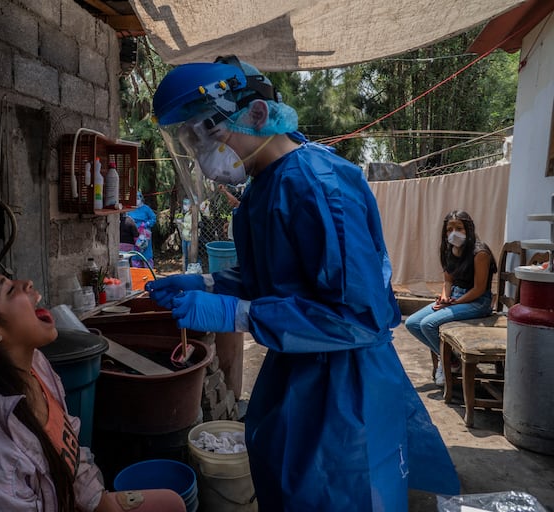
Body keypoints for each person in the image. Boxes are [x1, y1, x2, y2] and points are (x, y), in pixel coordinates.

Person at [147, 55, 460, 510]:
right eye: (190, 143)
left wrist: (236, 312)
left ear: (256, 114)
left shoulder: (319, 185)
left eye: (207, 135)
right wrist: (212, 286)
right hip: (295, 374)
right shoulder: (262, 191)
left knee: (338, 496)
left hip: (345, 395)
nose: (203, 158)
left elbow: (358, 316)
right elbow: (275, 280)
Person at [0, 269, 185, 512]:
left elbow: (70, 452)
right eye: (9, 290)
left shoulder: (34, 365)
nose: (27, 284)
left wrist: (99, 501)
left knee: (172, 503)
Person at [405, 210, 497, 386]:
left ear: (468, 229)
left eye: (459, 228)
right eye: (449, 229)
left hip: (477, 302)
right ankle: (451, 360)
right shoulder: (449, 249)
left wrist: (454, 302)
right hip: (455, 297)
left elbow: (478, 289)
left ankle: (446, 363)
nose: (454, 232)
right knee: (412, 323)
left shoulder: (480, 253)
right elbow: (448, 280)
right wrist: (446, 296)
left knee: (428, 324)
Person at [126, 191, 156, 268]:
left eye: (138, 198)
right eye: (134, 198)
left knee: (147, 255)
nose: (136, 200)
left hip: (145, 234)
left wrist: (147, 224)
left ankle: (149, 274)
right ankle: (137, 275)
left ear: (141, 199)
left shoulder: (146, 209)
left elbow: (153, 218)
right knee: (135, 255)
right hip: (134, 234)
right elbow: (126, 219)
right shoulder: (130, 209)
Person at [174, 198, 193, 271]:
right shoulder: (187, 214)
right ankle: (186, 271)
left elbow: (192, 226)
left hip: (191, 238)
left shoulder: (195, 214)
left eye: (186, 204)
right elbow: (184, 226)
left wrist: (182, 223)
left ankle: (192, 270)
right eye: (184, 204)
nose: (184, 206)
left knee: (192, 256)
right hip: (185, 238)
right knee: (185, 256)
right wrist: (179, 222)